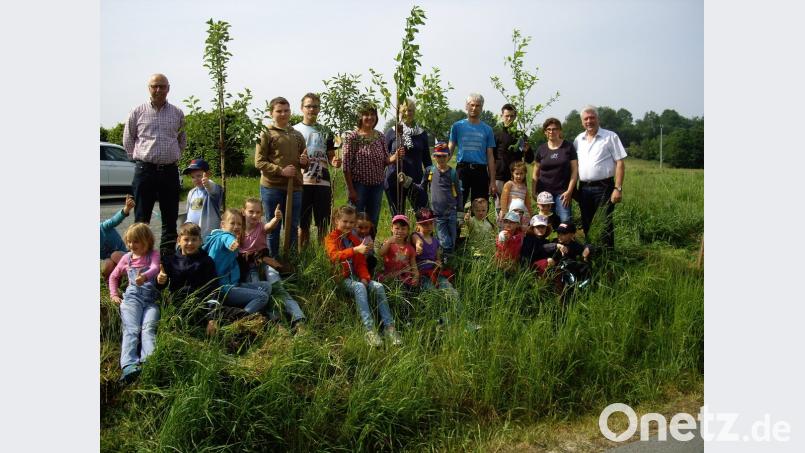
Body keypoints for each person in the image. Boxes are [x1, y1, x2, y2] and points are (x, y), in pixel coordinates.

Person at [203, 209, 306, 329]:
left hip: (233, 284)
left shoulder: (227, 237)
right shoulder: (223, 237)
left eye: (239, 224)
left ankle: (251, 311)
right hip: (223, 289)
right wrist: (232, 243)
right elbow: (227, 239)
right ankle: (241, 319)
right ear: (222, 225)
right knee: (263, 296)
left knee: (267, 286)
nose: (236, 226)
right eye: (232, 223)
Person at [123, 73, 185, 256]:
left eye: (162, 86)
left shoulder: (178, 113)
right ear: (149, 88)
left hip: (169, 172)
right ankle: (142, 263)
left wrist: (173, 156)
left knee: (170, 219)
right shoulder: (137, 112)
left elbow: (182, 140)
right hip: (145, 171)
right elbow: (128, 140)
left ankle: (167, 263)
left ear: (168, 88)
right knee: (141, 219)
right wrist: (140, 159)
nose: (158, 90)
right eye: (154, 86)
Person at [324, 205, 402, 347]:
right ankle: (369, 330)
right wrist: (355, 250)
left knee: (378, 286)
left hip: (356, 278)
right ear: (336, 221)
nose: (348, 225)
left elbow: (360, 264)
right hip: (342, 278)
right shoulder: (331, 238)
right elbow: (334, 256)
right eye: (345, 222)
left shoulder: (354, 239)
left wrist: (365, 277)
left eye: (351, 222)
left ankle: (389, 327)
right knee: (359, 287)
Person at [156, 222, 244, 336]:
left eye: (194, 239)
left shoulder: (206, 262)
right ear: (179, 240)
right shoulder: (170, 261)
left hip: (203, 307)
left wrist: (212, 318)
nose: (190, 243)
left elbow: (213, 291)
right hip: (179, 308)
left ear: (200, 241)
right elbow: (160, 287)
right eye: (186, 239)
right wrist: (160, 280)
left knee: (241, 315)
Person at [256, 96, 310, 258]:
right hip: (272, 187)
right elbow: (259, 162)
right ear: (271, 112)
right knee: (273, 226)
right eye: (279, 111)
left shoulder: (297, 135)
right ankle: (273, 262)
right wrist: (281, 171)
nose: (283, 114)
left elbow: (304, 163)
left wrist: (304, 162)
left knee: (293, 226)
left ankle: (290, 261)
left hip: (295, 187)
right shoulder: (266, 133)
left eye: (286, 110)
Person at [107, 223, 161, 384]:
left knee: (148, 328)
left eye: (136, 241)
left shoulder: (153, 254)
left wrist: (144, 277)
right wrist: (114, 294)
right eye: (129, 241)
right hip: (132, 299)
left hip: (151, 300)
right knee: (131, 329)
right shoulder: (127, 258)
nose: (131, 245)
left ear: (147, 241)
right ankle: (129, 365)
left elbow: (155, 267)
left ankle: (149, 361)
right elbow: (113, 276)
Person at [342, 103, 403, 232]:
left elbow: (386, 160)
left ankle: (369, 250)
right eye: (366, 114)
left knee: (372, 220)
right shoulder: (353, 137)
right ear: (360, 117)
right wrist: (351, 189)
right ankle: (355, 249)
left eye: (372, 114)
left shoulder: (380, 136)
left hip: (377, 185)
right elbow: (346, 166)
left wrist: (395, 156)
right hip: (359, 185)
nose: (370, 117)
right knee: (355, 219)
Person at [573, 106, 627, 249]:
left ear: (598, 119)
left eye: (592, 118)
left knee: (605, 223)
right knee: (586, 223)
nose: (589, 121)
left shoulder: (610, 137)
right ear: (582, 122)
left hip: (604, 187)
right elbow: (574, 165)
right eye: (586, 119)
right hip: (583, 188)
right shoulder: (578, 139)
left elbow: (620, 163)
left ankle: (608, 256)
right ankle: (590, 253)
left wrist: (618, 188)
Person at [293, 93, 340, 247]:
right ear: (302, 108)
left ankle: (323, 255)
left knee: (322, 223)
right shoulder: (294, 131)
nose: (312, 109)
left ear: (319, 109)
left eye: (315, 106)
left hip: (323, 182)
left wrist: (335, 161)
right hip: (302, 182)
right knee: (303, 223)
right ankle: (303, 255)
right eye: (308, 106)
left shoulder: (326, 131)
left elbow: (331, 156)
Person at [384, 98, 431, 215]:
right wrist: (393, 157)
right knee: (398, 217)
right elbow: (383, 157)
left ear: (414, 112)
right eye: (404, 110)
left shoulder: (421, 133)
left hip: (416, 180)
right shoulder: (391, 132)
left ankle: (420, 234)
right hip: (395, 180)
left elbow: (427, 160)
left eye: (410, 110)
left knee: (423, 215)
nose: (407, 113)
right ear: (398, 112)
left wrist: (430, 178)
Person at [449, 93, 497, 203]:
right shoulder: (457, 126)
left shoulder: (488, 130)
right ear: (466, 106)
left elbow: (490, 156)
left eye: (478, 105)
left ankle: (477, 221)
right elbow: (450, 149)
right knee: (458, 203)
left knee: (480, 204)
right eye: (472, 105)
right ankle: (459, 221)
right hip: (462, 170)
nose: (474, 108)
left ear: (482, 108)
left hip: (480, 171)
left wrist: (493, 181)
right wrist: (439, 169)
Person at [416, 142, 463, 256]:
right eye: (438, 156)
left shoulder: (453, 173)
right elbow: (421, 187)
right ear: (434, 156)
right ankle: (443, 261)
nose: (441, 159)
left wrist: (460, 213)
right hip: (437, 214)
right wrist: (408, 183)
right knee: (444, 241)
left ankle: (449, 262)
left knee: (452, 240)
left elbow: (459, 193)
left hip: (451, 212)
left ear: (448, 156)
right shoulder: (429, 171)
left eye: (443, 156)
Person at [533, 117, 578, 223]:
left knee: (565, 221)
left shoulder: (568, 147)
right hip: (544, 193)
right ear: (545, 132)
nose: (551, 131)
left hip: (563, 193)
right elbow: (535, 173)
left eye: (554, 129)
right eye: (548, 129)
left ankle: (565, 240)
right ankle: (547, 240)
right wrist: (534, 193)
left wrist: (569, 191)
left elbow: (575, 171)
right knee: (545, 221)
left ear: (559, 130)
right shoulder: (541, 149)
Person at [493, 104, 533, 214]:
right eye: (506, 116)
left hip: (516, 177)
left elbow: (529, 159)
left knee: (516, 206)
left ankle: (517, 230)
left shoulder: (521, 136)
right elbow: (491, 157)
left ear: (515, 117)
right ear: (502, 116)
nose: (509, 119)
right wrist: (491, 179)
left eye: (511, 116)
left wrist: (527, 150)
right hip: (499, 177)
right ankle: (501, 230)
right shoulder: (496, 134)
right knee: (500, 207)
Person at [411, 208, 458, 298]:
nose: (429, 226)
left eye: (431, 223)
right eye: (425, 224)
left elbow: (438, 259)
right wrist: (418, 245)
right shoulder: (416, 235)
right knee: (432, 294)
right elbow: (417, 241)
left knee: (452, 292)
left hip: (434, 273)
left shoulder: (435, 241)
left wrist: (438, 263)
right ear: (418, 225)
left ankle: (456, 310)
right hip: (422, 275)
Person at [238, 197, 283, 279]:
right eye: (251, 212)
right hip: (247, 264)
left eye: (258, 212)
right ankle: (260, 289)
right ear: (243, 212)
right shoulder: (239, 229)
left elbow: (269, 227)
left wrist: (276, 219)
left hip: (263, 260)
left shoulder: (261, 227)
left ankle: (279, 289)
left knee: (272, 274)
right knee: (253, 278)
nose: (254, 215)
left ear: (261, 213)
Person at [183, 158, 222, 240]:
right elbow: (188, 213)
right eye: (193, 177)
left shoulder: (213, 191)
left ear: (208, 174)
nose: (196, 179)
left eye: (199, 176)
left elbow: (213, 189)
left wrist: (207, 183)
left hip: (208, 236)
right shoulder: (191, 193)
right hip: (192, 235)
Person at [377, 214, 419, 290]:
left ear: (408, 231)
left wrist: (416, 276)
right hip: (390, 276)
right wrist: (389, 242)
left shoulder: (410, 248)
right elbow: (380, 253)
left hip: (405, 277)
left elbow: (413, 265)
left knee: (408, 288)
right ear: (391, 229)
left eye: (403, 229)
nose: (400, 231)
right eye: (397, 228)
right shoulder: (388, 243)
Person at [101, 195, 135, 279]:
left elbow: (115, 220)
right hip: (110, 262)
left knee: (115, 255)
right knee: (108, 264)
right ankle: (111, 282)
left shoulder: (103, 227)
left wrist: (127, 208)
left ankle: (135, 276)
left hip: (123, 255)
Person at [354, 213, 377, 278]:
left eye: (366, 228)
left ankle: (369, 276)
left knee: (372, 260)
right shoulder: (352, 234)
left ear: (370, 227)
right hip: (353, 260)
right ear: (354, 226)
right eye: (360, 227)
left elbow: (371, 253)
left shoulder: (369, 238)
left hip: (363, 261)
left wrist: (370, 249)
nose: (363, 230)